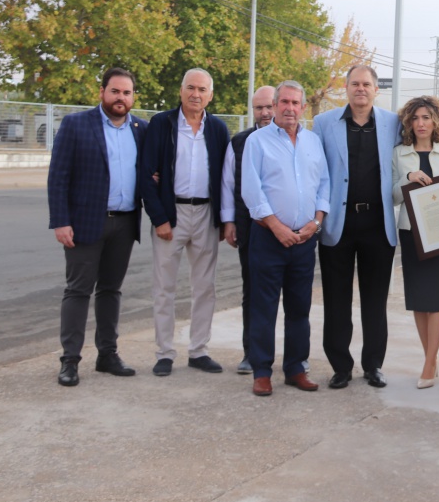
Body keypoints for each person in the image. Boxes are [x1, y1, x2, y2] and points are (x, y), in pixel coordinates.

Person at [47, 67, 149, 386]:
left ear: (133, 97)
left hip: (125, 222)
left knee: (110, 291)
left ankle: (107, 355)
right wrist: (60, 221)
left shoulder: (140, 129)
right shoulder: (76, 125)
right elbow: (58, 177)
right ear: (102, 92)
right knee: (78, 291)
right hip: (84, 225)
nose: (121, 98)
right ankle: (70, 361)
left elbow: (150, 171)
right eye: (115, 91)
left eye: (127, 93)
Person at [312, 65, 401, 389]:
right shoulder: (323, 124)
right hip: (338, 225)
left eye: (366, 84)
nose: (360, 89)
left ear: (376, 90)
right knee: (336, 300)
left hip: (378, 225)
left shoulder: (393, 123)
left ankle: (373, 365)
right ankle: (340, 366)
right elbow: (316, 172)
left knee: (375, 301)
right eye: (354, 84)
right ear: (346, 88)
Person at [138, 68, 231, 376]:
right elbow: (145, 173)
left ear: (210, 95)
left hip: (205, 215)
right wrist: (159, 218)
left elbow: (225, 178)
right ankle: (164, 353)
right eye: (190, 87)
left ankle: (198, 351)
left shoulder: (217, 129)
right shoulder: (162, 124)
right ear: (180, 91)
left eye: (202, 89)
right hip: (171, 214)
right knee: (164, 287)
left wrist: (223, 219)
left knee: (205, 287)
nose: (196, 94)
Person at [240, 83, 329, 396]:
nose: (290, 108)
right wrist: (276, 226)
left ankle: (295, 368)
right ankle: (261, 371)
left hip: (305, 241)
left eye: (295, 103)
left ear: (303, 107)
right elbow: (251, 189)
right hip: (267, 238)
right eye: (284, 102)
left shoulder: (313, 142)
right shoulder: (257, 141)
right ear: (274, 105)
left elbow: (324, 185)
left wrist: (315, 223)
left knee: (299, 309)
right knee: (264, 308)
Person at [391, 95, 439, 389]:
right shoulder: (399, 154)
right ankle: (431, 359)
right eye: (415, 118)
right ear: (408, 122)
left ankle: (428, 363)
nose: (421, 123)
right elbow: (393, 195)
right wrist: (408, 177)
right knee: (420, 301)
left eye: (426, 117)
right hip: (412, 232)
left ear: (435, 121)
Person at [222, 85, 278, 375]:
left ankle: (296, 357)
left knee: (291, 296)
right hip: (251, 229)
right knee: (253, 293)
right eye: (259, 108)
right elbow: (228, 185)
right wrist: (229, 221)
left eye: (269, 106)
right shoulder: (240, 142)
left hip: (289, 231)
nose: (265, 112)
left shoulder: (296, 139)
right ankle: (251, 353)